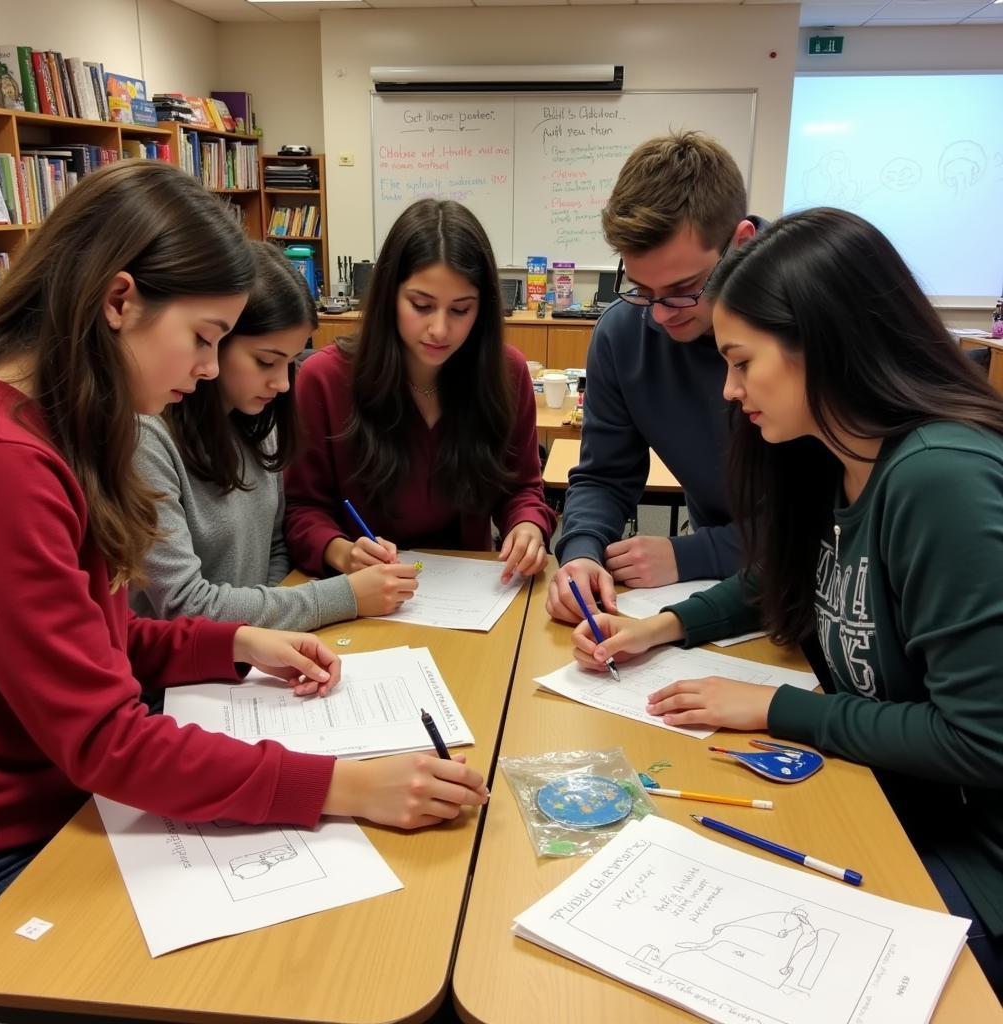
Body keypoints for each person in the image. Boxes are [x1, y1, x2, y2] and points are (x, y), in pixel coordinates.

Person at [0, 163, 488, 916]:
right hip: (21, 841)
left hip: (79, 800)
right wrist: (344, 785)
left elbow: (107, 641)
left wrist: (237, 645)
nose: (210, 369)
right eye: (204, 338)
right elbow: (105, 737)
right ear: (121, 300)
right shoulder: (6, 465)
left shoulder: (58, 430)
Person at [571, 207, 1003, 995]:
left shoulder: (940, 479)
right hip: (891, 801)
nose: (729, 391)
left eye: (740, 361)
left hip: (976, 862)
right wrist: (663, 626)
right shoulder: (835, 456)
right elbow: (781, 577)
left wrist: (775, 710)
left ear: (820, 342)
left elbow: (982, 741)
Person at [130, 240, 417, 632]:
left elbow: (277, 548)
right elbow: (183, 603)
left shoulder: (259, 424)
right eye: (266, 361)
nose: (282, 383)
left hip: (251, 660)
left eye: (291, 361)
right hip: (185, 678)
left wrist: (270, 634)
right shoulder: (148, 439)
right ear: (216, 342)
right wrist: (344, 597)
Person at [547, 131, 762, 624]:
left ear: (741, 244)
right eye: (644, 288)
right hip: (724, 591)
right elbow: (605, 474)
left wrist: (692, 554)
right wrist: (581, 550)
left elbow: (831, 524)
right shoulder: (623, 332)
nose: (661, 315)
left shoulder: (803, 317)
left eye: (684, 289)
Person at [285, 198, 555, 582]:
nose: (440, 330)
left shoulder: (505, 374)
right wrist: (342, 552)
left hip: (473, 590)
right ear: (389, 296)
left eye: (461, 310)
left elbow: (522, 488)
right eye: (421, 305)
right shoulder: (325, 379)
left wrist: (527, 526)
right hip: (362, 597)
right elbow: (301, 508)